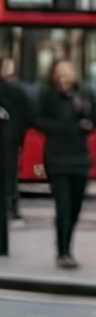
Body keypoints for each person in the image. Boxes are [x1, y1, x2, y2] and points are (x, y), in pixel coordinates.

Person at [34, 59, 96, 269]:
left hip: (79, 157)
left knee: (75, 206)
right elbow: (37, 120)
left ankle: (67, 244)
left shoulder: (83, 95)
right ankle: (63, 251)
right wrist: (61, 127)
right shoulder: (48, 96)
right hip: (57, 157)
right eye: (60, 76)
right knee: (63, 206)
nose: (64, 80)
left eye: (68, 75)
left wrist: (87, 123)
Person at [0, 53, 31, 221]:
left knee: (9, 176)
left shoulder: (14, 91)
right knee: (10, 176)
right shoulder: (14, 90)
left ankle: (11, 205)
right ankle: (12, 207)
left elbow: (25, 115)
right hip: (10, 139)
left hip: (9, 140)